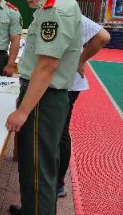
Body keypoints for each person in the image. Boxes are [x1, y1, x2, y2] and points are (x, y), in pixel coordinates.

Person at [6, 0, 82, 215]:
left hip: (42, 101)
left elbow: (47, 67)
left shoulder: (57, 8)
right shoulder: (54, 3)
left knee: (39, 172)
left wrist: (23, 111)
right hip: (41, 97)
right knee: (31, 165)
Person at [57, 16, 110, 197]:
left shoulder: (67, 10)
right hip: (60, 82)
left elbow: (103, 36)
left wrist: (80, 60)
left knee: (60, 132)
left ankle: (57, 184)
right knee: (59, 132)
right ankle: (56, 182)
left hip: (65, 84)